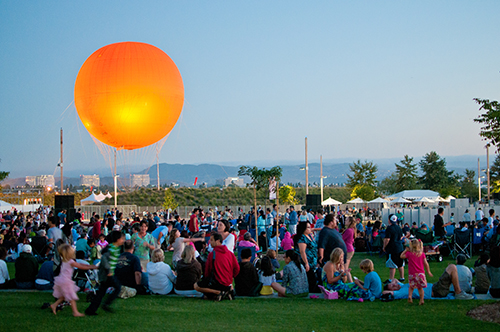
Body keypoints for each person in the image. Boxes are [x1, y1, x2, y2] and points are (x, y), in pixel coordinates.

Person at [50, 244, 97, 316]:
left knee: (64, 296)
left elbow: (80, 264)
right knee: (72, 296)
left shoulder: (64, 261)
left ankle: (54, 305)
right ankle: (75, 312)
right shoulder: (70, 262)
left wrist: (91, 266)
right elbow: (81, 266)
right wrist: (93, 267)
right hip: (66, 281)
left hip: (61, 280)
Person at [85, 231, 125, 316]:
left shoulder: (116, 248)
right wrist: (109, 270)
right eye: (122, 238)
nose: (123, 240)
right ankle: (105, 304)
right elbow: (104, 259)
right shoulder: (111, 248)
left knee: (101, 292)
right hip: (107, 274)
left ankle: (91, 310)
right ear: (117, 239)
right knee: (117, 287)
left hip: (109, 273)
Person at [194, 232, 240, 301]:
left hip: (216, 283)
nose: (210, 242)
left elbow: (207, 271)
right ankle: (225, 292)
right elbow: (237, 269)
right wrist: (231, 277)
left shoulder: (212, 254)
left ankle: (218, 292)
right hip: (228, 283)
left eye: (212, 240)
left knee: (196, 286)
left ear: (218, 241)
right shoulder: (230, 254)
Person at [400, 239, 433, 305]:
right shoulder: (422, 254)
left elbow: (401, 256)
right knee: (420, 288)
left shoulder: (409, 254)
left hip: (412, 274)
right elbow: (426, 263)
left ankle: (410, 296)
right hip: (420, 274)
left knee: (411, 287)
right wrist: (428, 271)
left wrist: (406, 250)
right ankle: (421, 300)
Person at [294, 222, 318, 292]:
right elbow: (302, 251)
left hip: (313, 261)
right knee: (310, 279)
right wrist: (306, 263)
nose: (310, 228)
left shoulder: (310, 236)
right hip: (306, 261)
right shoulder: (302, 238)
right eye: (308, 227)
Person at [383, 214, 405, 282]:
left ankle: (391, 278)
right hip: (400, 247)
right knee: (400, 263)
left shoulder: (389, 228)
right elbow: (401, 236)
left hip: (392, 248)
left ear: (389, 220)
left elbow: (387, 239)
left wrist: (384, 247)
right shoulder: (399, 227)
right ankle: (402, 277)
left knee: (392, 264)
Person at [341, 217, 356, 283]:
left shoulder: (349, 230)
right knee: (346, 267)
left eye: (346, 220)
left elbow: (342, 238)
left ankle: (349, 281)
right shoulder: (352, 230)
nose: (345, 221)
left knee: (345, 268)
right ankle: (350, 282)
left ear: (350, 222)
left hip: (348, 249)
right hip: (350, 249)